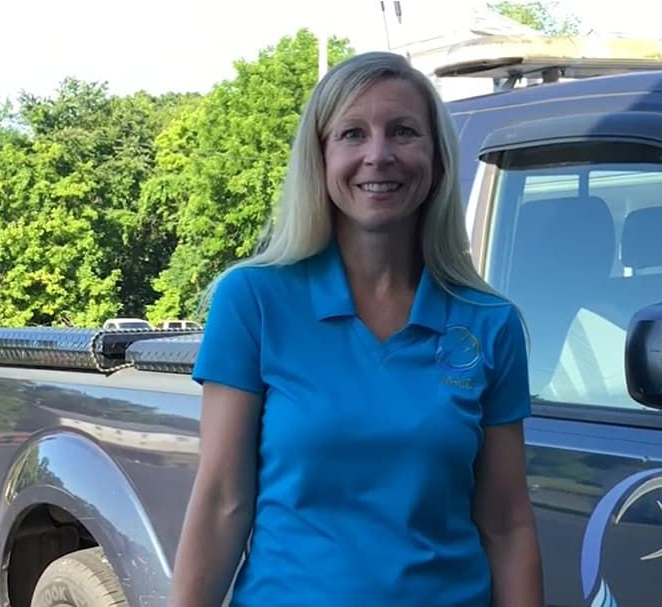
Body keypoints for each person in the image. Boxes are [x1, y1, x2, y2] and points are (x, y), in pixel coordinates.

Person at [169, 51, 544, 607]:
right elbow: (223, 501)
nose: (378, 155)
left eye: (403, 132)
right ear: (319, 158)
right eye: (351, 133)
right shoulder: (254, 300)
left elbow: (507, 523)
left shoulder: (488, 323)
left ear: (437, 158)